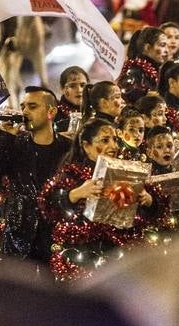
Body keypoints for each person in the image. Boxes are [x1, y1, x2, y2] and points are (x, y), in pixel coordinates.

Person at [38, 117, 154, 281]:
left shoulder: (128, 170)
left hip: (121, 255)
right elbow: (48, 205)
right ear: (86, 146)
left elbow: (146, 214)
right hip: (82, 258)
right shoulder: (71, 174)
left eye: (115, 139)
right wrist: (75, 194)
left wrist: (148, 200)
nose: (113, 146)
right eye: (105, 140)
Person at [0, 87, 67, 265]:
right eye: (23, 106)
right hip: (19, 237)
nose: (25, 111)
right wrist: (4, 140)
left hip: (57, 236)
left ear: (51, 112)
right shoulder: (14, 144)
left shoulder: (68, 148)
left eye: (32, 106)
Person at [118, 26, 168, 104]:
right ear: (147, 47)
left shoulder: (156, 70)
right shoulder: (134, 72)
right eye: (162, 45)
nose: (167, 50)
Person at [56, 66, 90, 132]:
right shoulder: (54, 114)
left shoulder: (96, 112)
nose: (79, 90)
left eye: (83, 85)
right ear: (62, 89)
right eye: (72, 86)